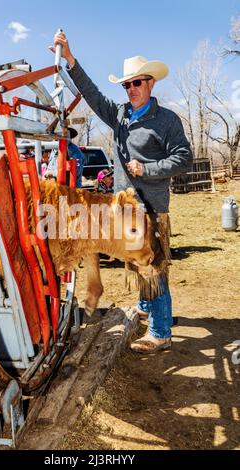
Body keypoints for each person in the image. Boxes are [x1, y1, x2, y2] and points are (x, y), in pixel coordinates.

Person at [52, 31, 193, 354]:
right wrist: (71, 60)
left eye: (137, 83)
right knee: (135, 263)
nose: (131, 90)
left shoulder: (166, 121)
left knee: (153, 266)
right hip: (123, 211)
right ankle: (147, 306)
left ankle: (160, 332)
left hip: (151, 208)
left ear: (150, 84)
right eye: (126, 85)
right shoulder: (119, 116)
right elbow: (91, 93)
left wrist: (149, 169)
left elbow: (184, 158)